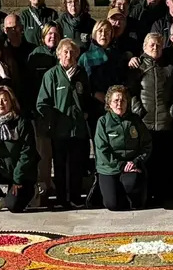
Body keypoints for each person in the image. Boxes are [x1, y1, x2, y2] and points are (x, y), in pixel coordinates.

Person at [36, 38, 95, 209]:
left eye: (72, 52)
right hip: (59, 131)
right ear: (59, 54)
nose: (68, 55)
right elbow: (42, 103)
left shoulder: (81, 74)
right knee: (60, 166)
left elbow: (87, 97)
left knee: (76, 165)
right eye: (65, 52)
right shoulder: (51, 75)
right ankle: (62, 199)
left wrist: (86, 113)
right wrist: (53, 119)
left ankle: (76, 198)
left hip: (78, 129)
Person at [128, 33, 173, 202]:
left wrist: (172, 110)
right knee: (147, 161)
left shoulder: (169, 67)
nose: (155, 48)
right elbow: (131, 92)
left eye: (158, 45)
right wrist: (139, 112)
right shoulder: (138, 67)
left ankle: (163, 194)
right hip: (145, 122)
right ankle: (146, 195)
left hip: (165, 121)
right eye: (151, 45)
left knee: (164, 161)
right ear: (144, 47)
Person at [94, 85, 153, 211]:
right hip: (109, 168)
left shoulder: (135, 121)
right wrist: (121, 165)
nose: (119, 104)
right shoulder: (103, 122)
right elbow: (102, 150)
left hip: (131, 166)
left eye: (123, 100)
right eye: (116, 100)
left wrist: (136, 162)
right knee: (113, 205)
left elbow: (146, 145)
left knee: (136, 196)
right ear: (109, 103)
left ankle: (134, 196)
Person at [26, 24, 62, 200]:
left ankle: (58, 183)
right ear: (43, 36)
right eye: (49, 34)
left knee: (58, 149)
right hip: (42, 111)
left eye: (56, 34)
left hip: (61, 111)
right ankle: (45, 184)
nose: (52, 37)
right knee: (44, 151)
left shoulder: (64, 51)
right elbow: (31, 85)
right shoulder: (35, 55)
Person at [79, 19, 125, 113]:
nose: (103, 34)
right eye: (100, 31)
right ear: (94, 34)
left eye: (107, 31)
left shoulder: (117, 56)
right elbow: (81, 83)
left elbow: (122, 79)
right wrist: (95, 93)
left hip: (115, 106)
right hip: (92, 107)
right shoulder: (86, 57)